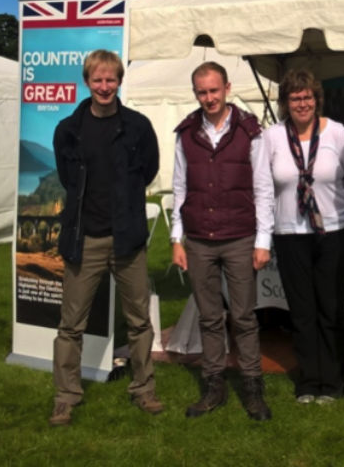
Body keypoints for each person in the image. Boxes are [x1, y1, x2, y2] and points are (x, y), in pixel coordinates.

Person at [49, 49, 163, 426]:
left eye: (110, 79)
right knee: (71, 326)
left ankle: (144, 389)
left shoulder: (138, 126)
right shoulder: (68, 129)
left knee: (139, 321)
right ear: (87, 82)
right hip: (86, 239)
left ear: (119, 81)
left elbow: (148, 170)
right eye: (97, 80)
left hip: (127, 237)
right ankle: (66, 396)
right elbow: (69, 180)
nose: (104, 86)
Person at [170, 61, 274, 421]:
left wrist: (263, 240)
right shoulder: (185, 133)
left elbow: (262, 187)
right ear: (195, 93)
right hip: (198, 238)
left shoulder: (250, 130)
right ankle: (213, 385)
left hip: (240, 237)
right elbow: (180, 187)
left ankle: (252, 388)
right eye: (202, 92)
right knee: (209, 317)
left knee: (244, 317)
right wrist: (176, 238)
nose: (209, 98)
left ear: (227, 88)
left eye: (214, 90)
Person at [264, 69, 344, 404]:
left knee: (331, 308)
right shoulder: (272, 137)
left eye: (307, 96)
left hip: (333, 230)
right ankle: (308, 380)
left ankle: (333, 380)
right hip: (290, 232)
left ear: (317, 98)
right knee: (301, 311)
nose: (302, 103)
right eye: (295, 97)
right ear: (286, 102)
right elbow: (263, 187)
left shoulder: (338, 133)